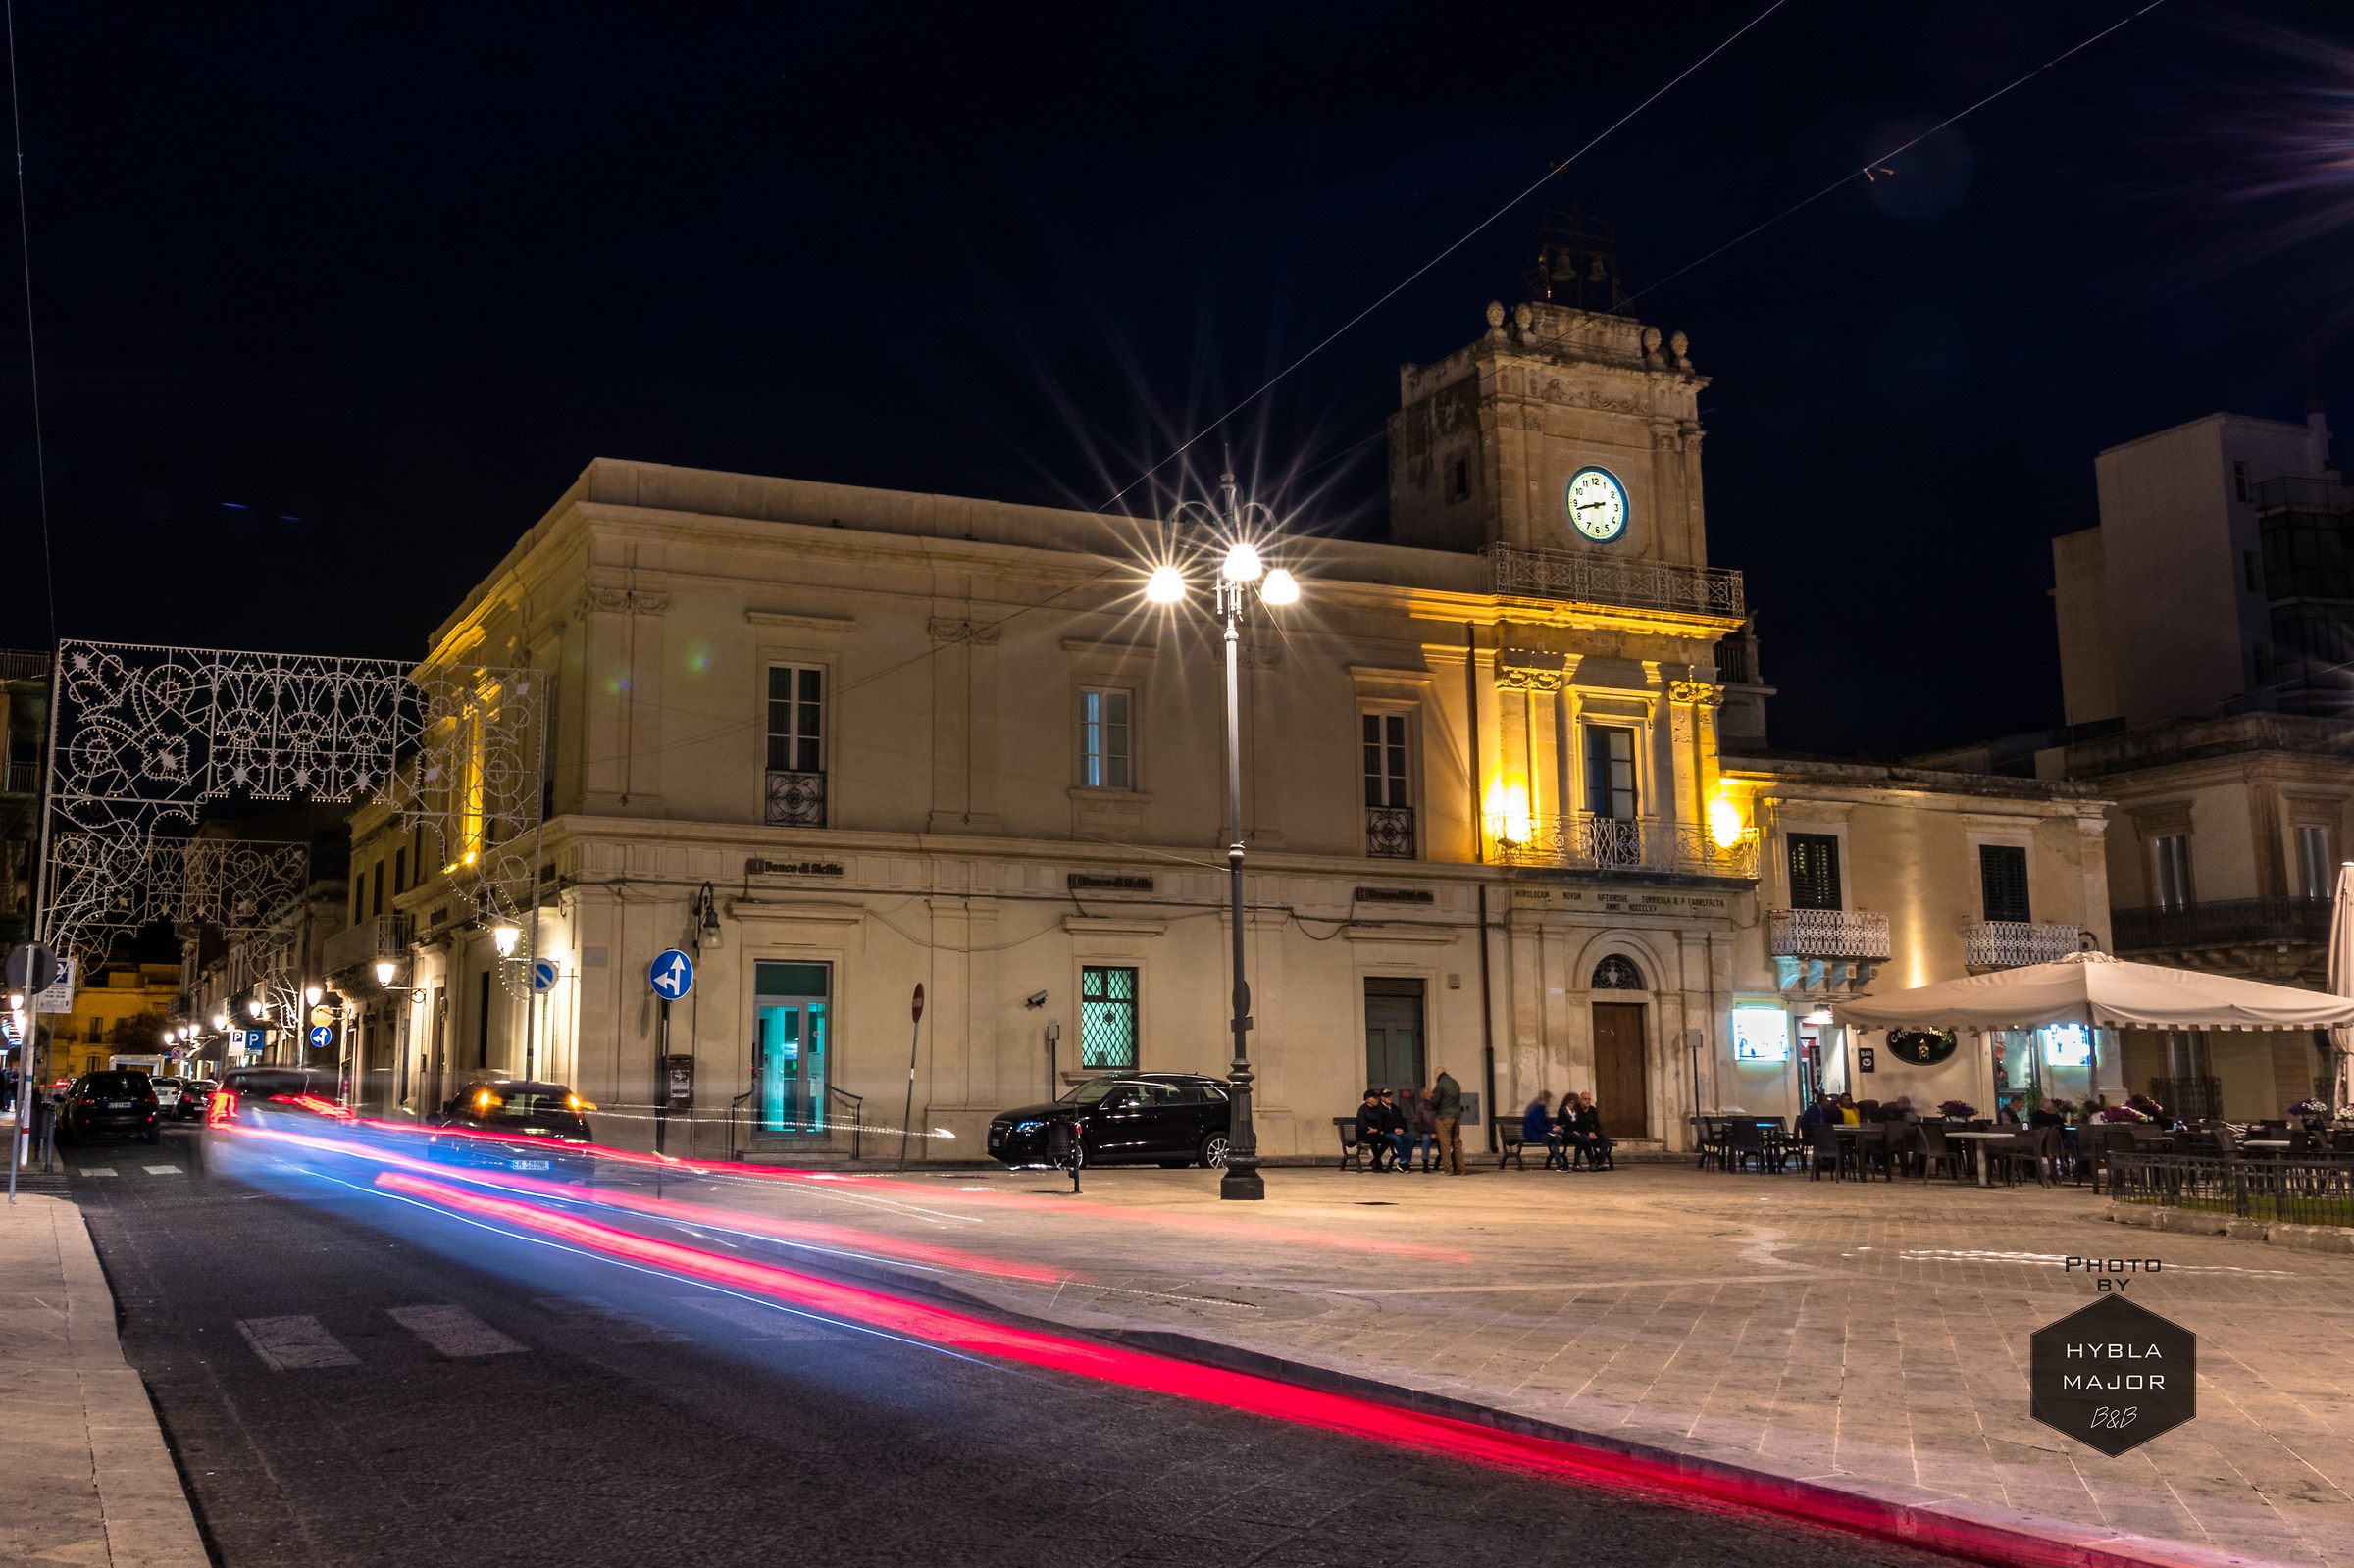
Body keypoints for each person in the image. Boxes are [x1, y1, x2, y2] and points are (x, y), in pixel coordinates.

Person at [1429, 1064, 1464, 1174]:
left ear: (1437, 1074)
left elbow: (1435, 1102)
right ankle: (1461, 1169)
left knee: (1445, 1143)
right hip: (1457, 1115)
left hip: (1444, 1116)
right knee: (1457, 1143)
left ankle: (1448, 1169)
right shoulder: (1455, 1083)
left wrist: (1434, 1106)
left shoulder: (1441, 1084)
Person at [1354, 1087, 1395, 1171]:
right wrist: (1368, 1129)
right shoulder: (1362, 1109)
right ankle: (1378, 1164)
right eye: (1374, 1098)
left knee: (1386, 1140)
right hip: (1363, 1133)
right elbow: (1361, 1122)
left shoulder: (1377, 1109)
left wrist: (1377, 1130)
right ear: (1368, 1100)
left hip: (1375, 1132)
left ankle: (1375, 1160)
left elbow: (1380, 1122)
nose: (1377, 1100)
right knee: (1373, 1141)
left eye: (1377, 1098)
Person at [1378, 1088, 1412, 1174]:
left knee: (1410, 1139)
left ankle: (1407, 1162)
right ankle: (1403, 1161)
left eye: (1390, 1096)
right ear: (1382, 1098)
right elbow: (1380, 1124)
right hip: (1386, 1133)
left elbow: (1402, 1121)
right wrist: (1393, 1130)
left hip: (1398, 1132)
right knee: (1397, 1138)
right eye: (1387, 1097)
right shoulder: (1379, 1110)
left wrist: (1402, 1129)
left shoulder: (1396, 1109)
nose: (1390, 1098)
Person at [1523, 1090, 1560, 1169]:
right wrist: (1551, 1128)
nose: (1548, 1103)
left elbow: (1545, 1122)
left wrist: (1552, 1127)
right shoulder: (1534, 1109)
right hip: (1533, 1135)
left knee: (1556, 1137)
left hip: (1538, 1133)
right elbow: (1538, 1126)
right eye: (1547, 1101)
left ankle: (1559, 1163)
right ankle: (1560, 1164)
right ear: (1542, 1100)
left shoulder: (1541, 1108)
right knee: (1554, 1139)